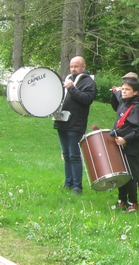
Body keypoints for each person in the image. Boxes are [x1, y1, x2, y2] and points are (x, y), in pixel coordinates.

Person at [53, 56, 97, 195]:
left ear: (83, 67)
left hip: (75, 124)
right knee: (66, 155)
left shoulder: (88, 82)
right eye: (71, 66)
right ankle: (68, 182)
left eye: (76, 66)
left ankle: (77, 186)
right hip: (62, 122)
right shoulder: (68, 79)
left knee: (74, 155)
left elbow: (87, 99)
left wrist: (71, 88)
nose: (73, 69)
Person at [110, 77, 139, 212]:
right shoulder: (123, 103)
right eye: (123, 89)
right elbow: (115, 104)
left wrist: (126, 139)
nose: (123, 92)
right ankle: (122, 199)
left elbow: (138, 130)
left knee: (130, 174)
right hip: (119, 144)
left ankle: (133, 202)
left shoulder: (136, 108)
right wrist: (114, 94)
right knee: (120, 172)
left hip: (130, 147)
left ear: (135, 92)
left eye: (127, 90)